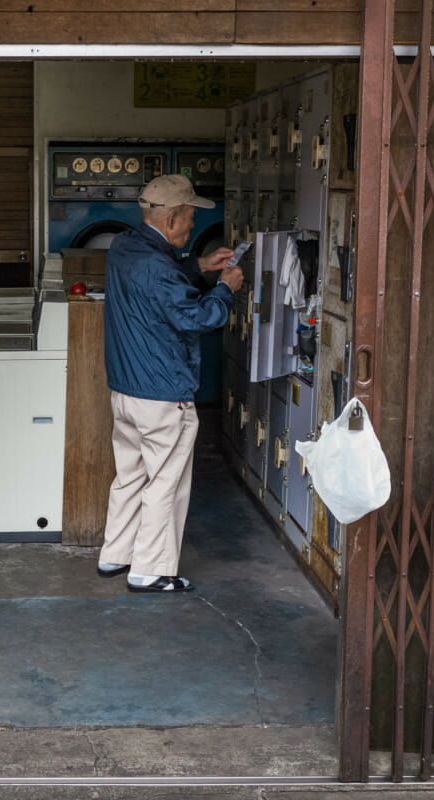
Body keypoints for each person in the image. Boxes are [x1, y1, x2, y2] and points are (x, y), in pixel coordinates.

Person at [97, 173, 245, 593]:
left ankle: (116, 554)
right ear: (174, 217)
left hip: (125, 390)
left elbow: (160, 273)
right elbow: (197, 318)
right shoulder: (156, 267)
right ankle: (151, 569)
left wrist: (200, 265)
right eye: (190, 217)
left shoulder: (124, 246)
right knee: (166, 480)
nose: (194, 226)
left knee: (130, 475)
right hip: (161, 394)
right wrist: (225, 288)